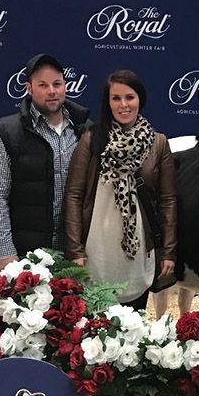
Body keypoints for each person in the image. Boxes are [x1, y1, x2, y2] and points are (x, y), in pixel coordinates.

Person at [64, 70, 176, 310]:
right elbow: (74, 195)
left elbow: (167, 201)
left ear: (140, 99)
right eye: (116, 98)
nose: (123, 105)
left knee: (133, 328)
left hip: (137, 253)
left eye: (130, 97)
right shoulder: (92, 139)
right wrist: (75, 250)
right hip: (96, 252)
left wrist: (168, 251)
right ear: (108, 102)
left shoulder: (158, 143)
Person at [0, 54, 92, 271]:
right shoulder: (6, 133)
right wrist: (5, 252)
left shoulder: (87, 130)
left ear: (65, 86)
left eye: (57, 84)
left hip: (76, 256)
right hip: (26, 257)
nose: (51, 91)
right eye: (43, 85)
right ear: (29, 89)